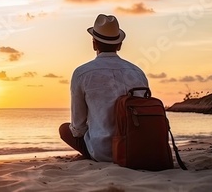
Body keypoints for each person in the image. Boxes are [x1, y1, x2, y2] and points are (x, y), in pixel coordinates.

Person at [59, 14, 149, 162]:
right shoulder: (137, 72)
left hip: (103, 152)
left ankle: (89, 154)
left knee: (64, 129)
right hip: (137, 146)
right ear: (119, 45)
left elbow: (78, 128)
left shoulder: (82, 73)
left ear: (94, 44)